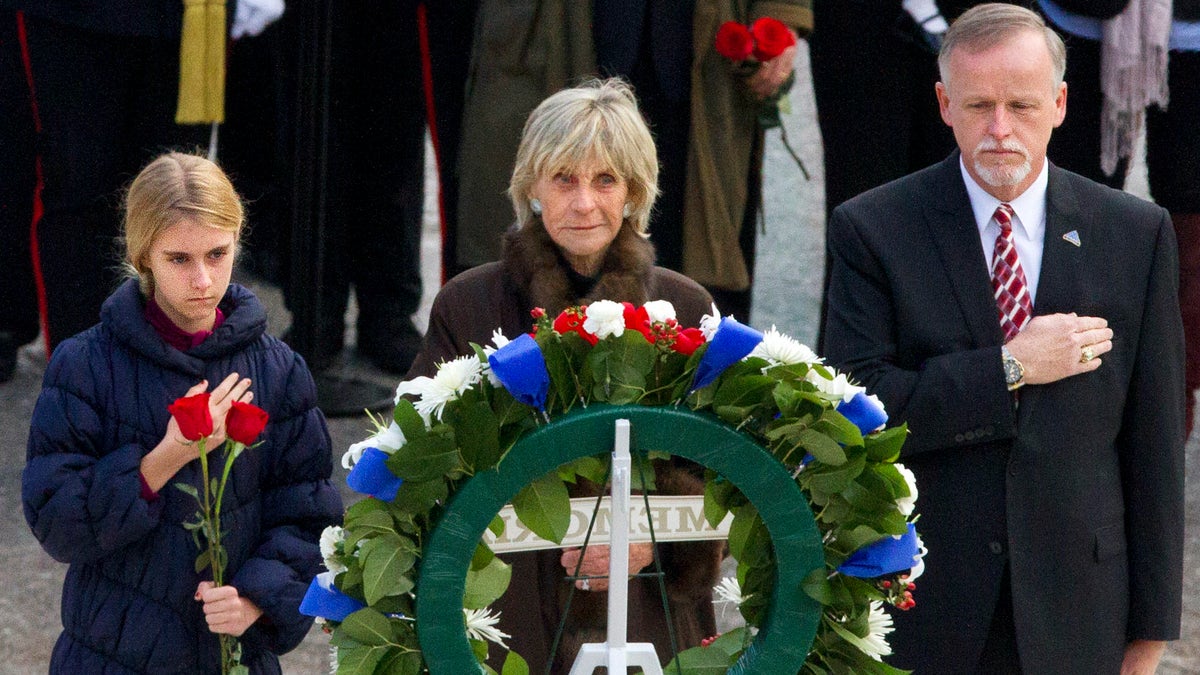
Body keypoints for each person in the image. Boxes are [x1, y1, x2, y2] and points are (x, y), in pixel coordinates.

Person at [823, 5, 1185, 673]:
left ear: (1060, 103)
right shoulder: (873, 230)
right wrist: (1008, 369)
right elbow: (854, 408)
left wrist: (1153, 628)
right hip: (927, 607)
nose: (999, 129)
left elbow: (1154, 445)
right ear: (943, 104)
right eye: (979, 104)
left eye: (1020, 105)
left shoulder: (1134, 235)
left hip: (1081, 611)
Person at [408, 78, 722, 672]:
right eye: (564, 179)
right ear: (531, 186)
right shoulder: (467, 305)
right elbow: (423, 475)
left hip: (650, 608)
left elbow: (724, 478)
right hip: (510, 614)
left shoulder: (685, 309)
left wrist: (648, 540)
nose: (584, 204)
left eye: (605, 180)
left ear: (634, 191)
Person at [22, 152, 343, 673]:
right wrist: (165, 458)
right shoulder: (84, 366)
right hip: (110, 656)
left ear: (238, 239)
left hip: (233, 658)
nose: (202, 280)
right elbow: (57, 520)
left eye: (218, 254)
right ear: (143, 254)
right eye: (179, 259)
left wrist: (256, 601)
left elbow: (309, 516)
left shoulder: (278, 370)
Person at [452, 0, 812, 322]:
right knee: (548, 210)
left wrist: (782, 9)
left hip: (697, 39)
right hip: (552, 31)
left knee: (704, 239)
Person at [1036, 0, 1200, 436]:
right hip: (1082, 22)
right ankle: (1065, 406)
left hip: (1192, 33)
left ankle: (1166, 419)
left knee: (1193, 251)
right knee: (1071, 232)